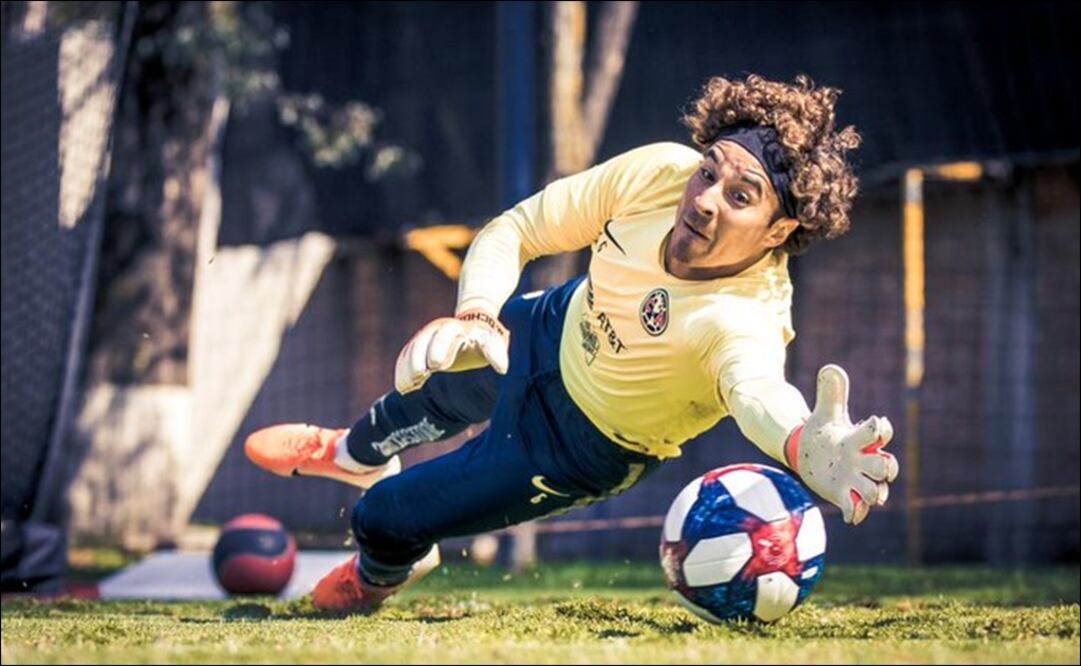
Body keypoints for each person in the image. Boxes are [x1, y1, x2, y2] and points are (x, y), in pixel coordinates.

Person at [244, 74, 899, 613]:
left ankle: (376, 576)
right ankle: (352, 453)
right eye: (708, 173)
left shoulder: (743, 319)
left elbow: (758, 391)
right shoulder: (656, 175)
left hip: (578, 446)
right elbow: (516, 231)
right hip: (552, 328)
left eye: (740, 196)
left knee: (386, 517)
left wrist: (797, 444)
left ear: (777, 230)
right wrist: (476, 315)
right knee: (427, 390)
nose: (703, 201)